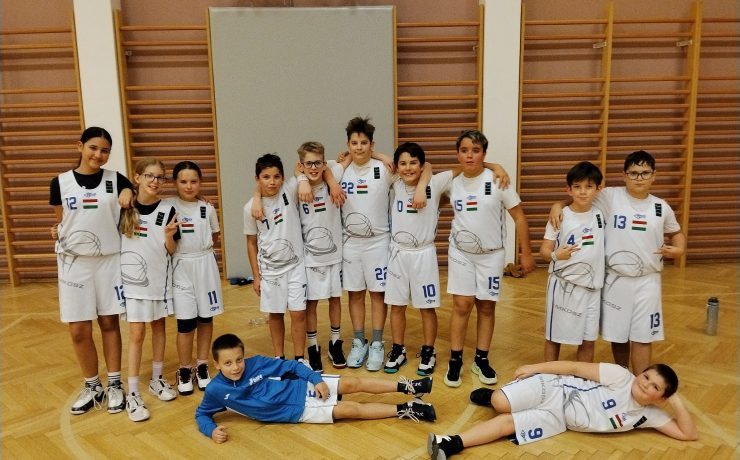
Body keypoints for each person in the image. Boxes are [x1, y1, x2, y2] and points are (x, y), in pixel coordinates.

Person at [549, 151, 686, 374]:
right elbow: (580, 196)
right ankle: (623, 376)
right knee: (618, 334)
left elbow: (676, 233)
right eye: (634, 173)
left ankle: (639, 379)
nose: (639, 178)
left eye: (645, 173)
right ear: (624, 175)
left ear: (654, 176)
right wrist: (557, 205)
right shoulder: (610, 196)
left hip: (648, 280)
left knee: (643, 335)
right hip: (615, 278)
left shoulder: (661, 207)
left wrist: (679, 249)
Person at [383, 142, 509, 376]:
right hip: (398, 253)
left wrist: (495, 166)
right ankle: (398, 349)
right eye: (403, 163)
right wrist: (379, 155)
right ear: (397, 167)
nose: (408, 168)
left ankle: (428, 351)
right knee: (396, 306)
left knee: (426, 307)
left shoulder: (436, 182)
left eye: (413, 163)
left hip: (424, 254)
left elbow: (465, 167)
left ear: (422, 166)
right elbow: (375, 159)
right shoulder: (394, 181)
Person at [195, 333, 437, 443]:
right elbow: (201, 414)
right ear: (216, 365)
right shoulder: (216, 390)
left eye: (239, 360)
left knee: (353, 383)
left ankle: (409, 385)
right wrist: (210, 430)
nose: (236, 367)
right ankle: (408, 409)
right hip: (297, 412)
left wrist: (315, 379)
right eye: (228, 363)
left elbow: (292, 365)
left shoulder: (256, 363)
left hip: (302, 388)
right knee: (350, 410)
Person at [427, 360, 697, 458]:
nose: (645, 383)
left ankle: (450, 443)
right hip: (556, 387)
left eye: (655, 387)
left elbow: (688, 434)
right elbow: (574, 368)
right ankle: (493, 397)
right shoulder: (620, 376)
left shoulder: (651, 415)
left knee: (508, 423)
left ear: (661, 398)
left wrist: (676, 401)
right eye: (646, 376)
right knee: (500, 404)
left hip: (558, 419)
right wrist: (533, 368)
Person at [49, 126, 133, 415]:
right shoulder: (60, 182)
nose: (98, 154)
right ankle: (92, 386)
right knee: (78, 329)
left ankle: (114, 384)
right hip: (74, 263)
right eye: (93, 148)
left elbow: (135, 194)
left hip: (108, 261)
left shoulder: (117, 180)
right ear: (80, 146)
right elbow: (62, 222)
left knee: (109, 322)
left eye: (105, 150)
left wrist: (128, 190)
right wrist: (56, 231)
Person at [444, 130, 536, 388]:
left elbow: (519, 217)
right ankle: (455, 359)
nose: (469, 155)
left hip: (491, 255)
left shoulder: (497, 180)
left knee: (486, 306)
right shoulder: (452, 182)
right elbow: (426, 176)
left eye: (475, 151)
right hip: (461, 253)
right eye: (464, 150)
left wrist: (526, 252)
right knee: (462, 305)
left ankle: (481, 359)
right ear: (457, 154)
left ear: (483, 154)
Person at [340, 117, 430, 371]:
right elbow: (308, 171)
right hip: (351, 243)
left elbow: (425, 166)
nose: (359, 147)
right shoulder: (340, 169)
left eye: (364, 143)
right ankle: (359, 341)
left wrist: (381, 156)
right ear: (348, 145)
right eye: (354, 143)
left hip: (379, 243)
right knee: (355, 294)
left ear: (372, 144)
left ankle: (378, 343)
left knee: (378, 294)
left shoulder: (385, 168)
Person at [119, 158, 179, 421]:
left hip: (158, 281)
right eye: (149, 176)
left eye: (160, 177)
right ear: (138, 177)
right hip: (131, 284)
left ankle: (156, 379)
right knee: (136, 334)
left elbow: (171, 250)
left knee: (159, 328)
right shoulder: (124, 206)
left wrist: (168, 236)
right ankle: (132, 393)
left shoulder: (168, 209)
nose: (155, 181)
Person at [244, 153, 308, 364]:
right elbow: (251, 243)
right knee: (276, 314)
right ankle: (279, 358)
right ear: (257, 179)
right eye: (266, 177)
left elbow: (311, 166)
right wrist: (256, 276)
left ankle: (299, 359)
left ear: (282, 177)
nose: (272, 182)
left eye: (276, 176)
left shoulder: (289, 189)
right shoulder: (250, 208)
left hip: (296, 265)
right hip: (270, 271)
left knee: (298, 313)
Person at [539, 161, 605, 363]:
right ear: (568, 190)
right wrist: (555, 256)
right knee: (554, 338)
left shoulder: (601, 213)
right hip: (563, 286)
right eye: (577, 187)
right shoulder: (560, 217)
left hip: (592, 288)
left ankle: (582, 378)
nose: (583, 192)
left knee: (588, 340)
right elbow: (544, 251)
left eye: (588, 187)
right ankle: (549, 375)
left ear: (598, 189)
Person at [293, 142, 347, 371]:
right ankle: (313, 347)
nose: (313, 167)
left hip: (334, 255)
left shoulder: (333, 175)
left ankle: (335, 343)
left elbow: (353, 156)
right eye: (308, 164)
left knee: (335, 300)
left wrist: (332, 181)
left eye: (318, 163)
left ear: (325, 164)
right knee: (311, 304)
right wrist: (301, 179)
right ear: (301, 166)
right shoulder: (295, 186)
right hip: (310, 258)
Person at [170, 161, 224, 395]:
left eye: (194, 181)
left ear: (200, 183)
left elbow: (215, 234)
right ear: (175, 183)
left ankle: (202, 365)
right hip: (181, 266)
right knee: (185, 323)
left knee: (205, 318)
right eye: (183, 181)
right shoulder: (168, 206)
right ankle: (184, 368)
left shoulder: (207, 208)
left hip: (205, 265)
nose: (189, 186)